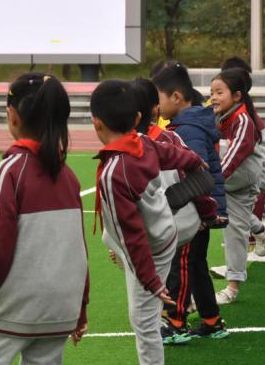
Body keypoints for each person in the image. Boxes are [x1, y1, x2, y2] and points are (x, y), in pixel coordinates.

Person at [0, 73, 89, 364]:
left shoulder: (9, 173)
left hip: (17, 309)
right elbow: (78, 250)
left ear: (12, 115)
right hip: (61, 308)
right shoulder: (68, 176)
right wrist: (80, 306)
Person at [90, 79, 205, 365]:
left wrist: (151, 281)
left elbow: (133, 238)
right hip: (160, 231)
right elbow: (173, 154)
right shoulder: (142, 143)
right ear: (138, 118)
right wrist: (194, 162)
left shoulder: (114, 174)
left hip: (151, 246)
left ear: (96, 123)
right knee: (112, 239)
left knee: (143, 320)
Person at [151, 65, 229, 343]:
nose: (155, 106)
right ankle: (212, 321)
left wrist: (183, 206)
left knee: (181, 264)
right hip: (200, 208)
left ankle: (176, 322)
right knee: (195, 265)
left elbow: (197, 173)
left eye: (158, 99)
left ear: (176, 97)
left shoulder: (188, 128)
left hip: (194, 210)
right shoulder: (189, 123)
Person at [210, 68, 265, 305]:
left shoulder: (242, 120)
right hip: (227, 181)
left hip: (241, 180)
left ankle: (232, 288)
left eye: (219, 92)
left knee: (234, 231)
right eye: (212, 92)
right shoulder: (217, 115)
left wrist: (211, 182)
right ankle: (262, 230)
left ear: (236, 96)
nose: (213, 97)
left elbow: (232, 158)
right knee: (236, 220)